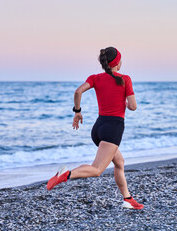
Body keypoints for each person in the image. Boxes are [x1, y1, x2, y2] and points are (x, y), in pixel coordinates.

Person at [46, 47, 144, 210]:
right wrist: (126, 104)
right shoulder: (125, 79)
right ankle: (67, 174)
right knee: (97, 169)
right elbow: (133, 106)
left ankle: (128, 199)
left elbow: (78, 91)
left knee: (119, 162)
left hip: (98, 129)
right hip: (112, 130)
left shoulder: (95, 78)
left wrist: (77, 112)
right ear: (117, 63)